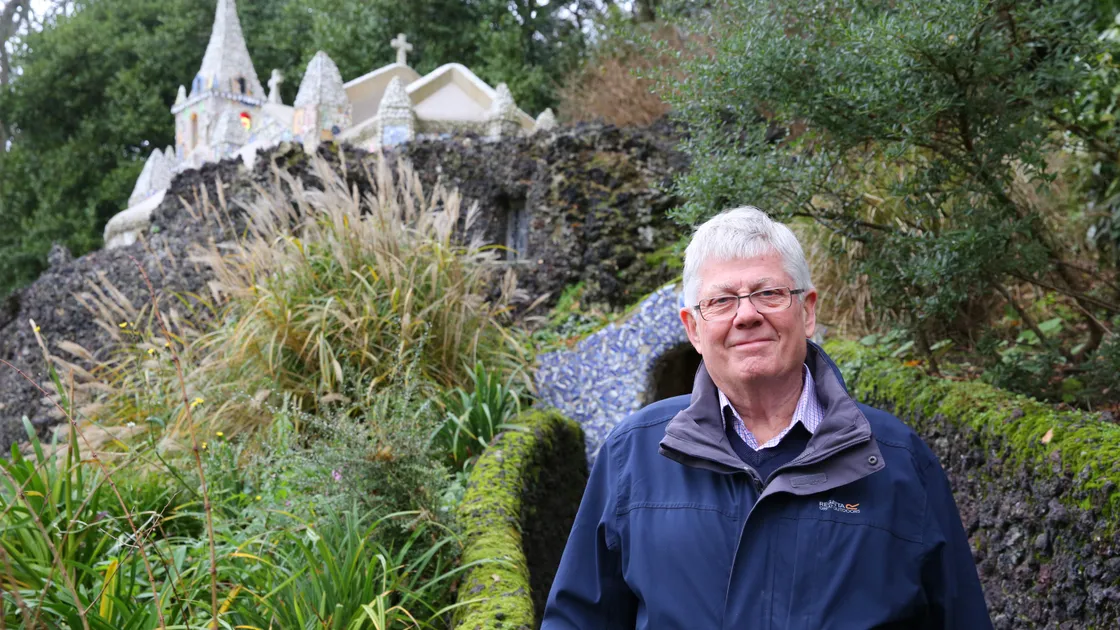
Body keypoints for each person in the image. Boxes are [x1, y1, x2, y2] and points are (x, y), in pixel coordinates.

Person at [541, 207, 992, 629]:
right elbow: (578, 619)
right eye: (720, 301)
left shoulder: (897, 459)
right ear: (693, 329)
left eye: (769, 293)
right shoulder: (633, 453)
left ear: (808, 310)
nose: (747, 315)